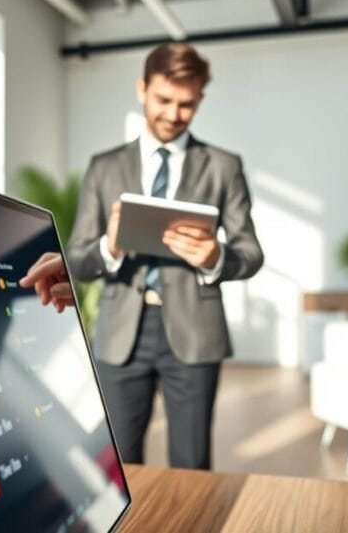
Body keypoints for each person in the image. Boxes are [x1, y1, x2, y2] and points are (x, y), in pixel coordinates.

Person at [62, 42, 264, 470]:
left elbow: (250, 252)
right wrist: (110, 246)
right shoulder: (104, 167)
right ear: (142, 89)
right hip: (120, 334)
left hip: (195, 333)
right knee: (119, 468)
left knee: (191, 467)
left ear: (201, 100)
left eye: (186, 104)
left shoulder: (223, 166)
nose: (173, 114)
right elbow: (78, 261)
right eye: (163, 100)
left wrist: (215, 257)